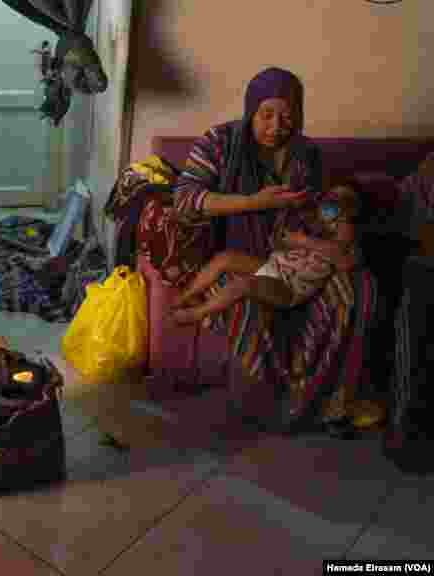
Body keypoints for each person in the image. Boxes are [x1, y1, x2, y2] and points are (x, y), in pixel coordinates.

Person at [137, 67, 378, 432]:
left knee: (353, 291)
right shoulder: (219, 142)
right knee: (248, 301)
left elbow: (322, 208)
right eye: (266, 115)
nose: (276, 125)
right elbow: (185, 200)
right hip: (239, 253)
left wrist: (328, 213)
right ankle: (279, 403)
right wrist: (252, 202)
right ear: (251, 110)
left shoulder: (306, 153)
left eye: (287, 116)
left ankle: (324, 401)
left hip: (292, 258)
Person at [171, 181, 358, 325]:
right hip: (274, 267)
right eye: (330, 203)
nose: (333, 214)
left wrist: (304, 241)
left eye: (341, 211)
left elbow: (344, 260)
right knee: (225, 258)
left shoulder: (346, 244)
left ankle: (197, 313)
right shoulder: (316, 226)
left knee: (244, 285)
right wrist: (289, 240)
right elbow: (283, 244)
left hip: (288, 288)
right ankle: (186, 295)